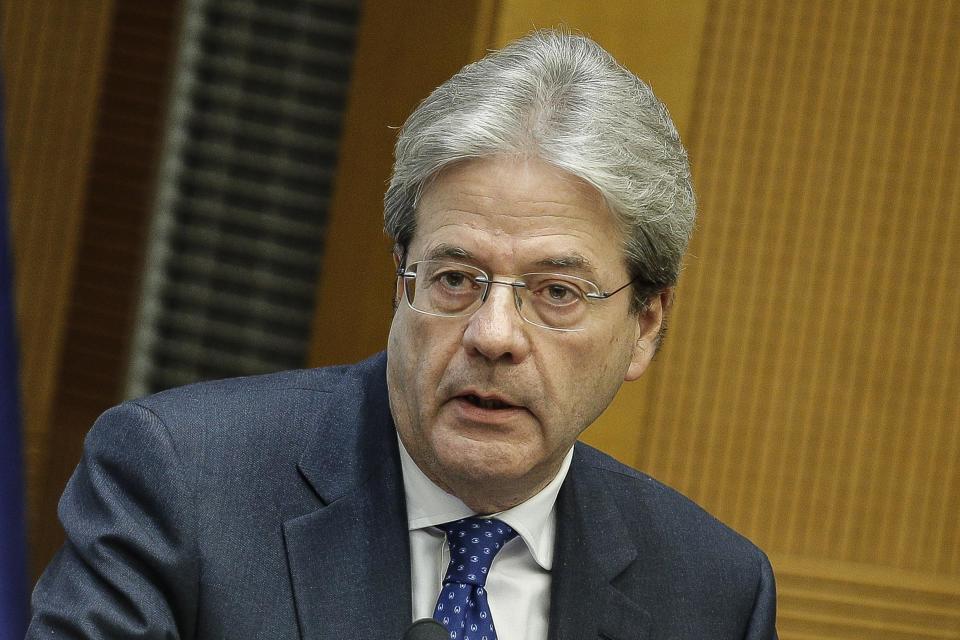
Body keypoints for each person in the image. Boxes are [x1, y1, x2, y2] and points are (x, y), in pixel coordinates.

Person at [28, 30, 777, 639]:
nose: (492, 335)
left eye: (555, 292)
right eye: (455, 279)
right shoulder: (184, 485)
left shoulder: (711, 594)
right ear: (402, 279)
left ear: (645, 325)